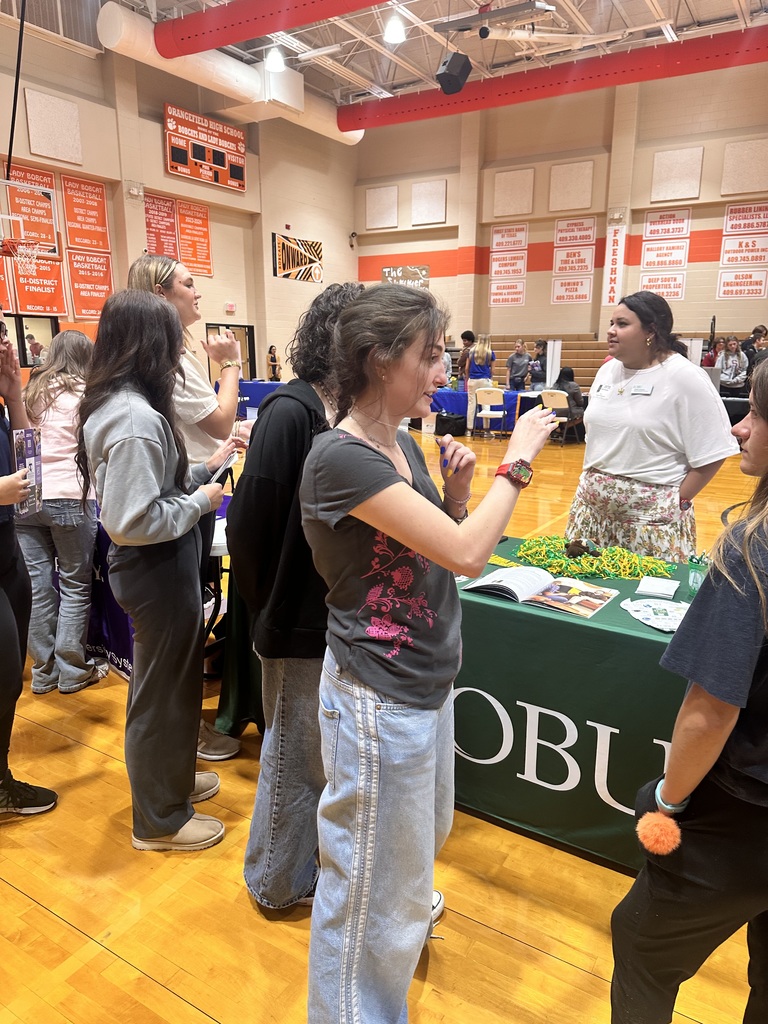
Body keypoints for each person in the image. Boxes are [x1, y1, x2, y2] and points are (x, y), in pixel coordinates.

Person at [299, 283, 557, 1022]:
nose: (441, 372)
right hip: (378, 698)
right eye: (430, 355)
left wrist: (455, 491)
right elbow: (471, 557)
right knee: (366, 893)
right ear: (379, 360)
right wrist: (518, 462)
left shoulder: (401, 441)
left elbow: (434, 552)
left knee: (406, 867)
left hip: (421, 685)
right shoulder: (337, 457)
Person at [610, 357, 768, 1024]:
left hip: (742, 816)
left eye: (758, 413)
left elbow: (711, 710)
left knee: (642, 945)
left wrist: (668, 802)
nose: (740, 427)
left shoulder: (752, 552)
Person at [76, 290, 236, 851]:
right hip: (153, 567)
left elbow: (153, 482)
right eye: (173, 342)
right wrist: (200, 503)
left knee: (173, 685)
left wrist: (203, 470)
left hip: (161, 566)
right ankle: (159, 818)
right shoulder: (134, 417)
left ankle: (172, 781)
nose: (179, 355)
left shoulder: (129, 406)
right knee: (159, 693)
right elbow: (131, 518)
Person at [227, 282, 363, 910]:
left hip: (320, 617)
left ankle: (293, 869)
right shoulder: (292, 411)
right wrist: (270, 607)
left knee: (313, 758)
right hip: (292, 620)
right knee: (291, 757)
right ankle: (275, 882)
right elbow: (248, 528)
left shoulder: (334, 413)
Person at [127, 254, 244, 760]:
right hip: (175, 509)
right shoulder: (163, 364)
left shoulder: (160, 360)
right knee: (171, 643)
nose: (198, 293)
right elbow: (219, 421)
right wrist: (232, 366)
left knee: (175, 638)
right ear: (159, 293)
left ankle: (176, 750)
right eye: (189, 284)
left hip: (185, 494)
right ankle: (172, 755)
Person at [566, 291, 738, 562]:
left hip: (651, 525)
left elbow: (714, 451)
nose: (610, 331)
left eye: (622, 324)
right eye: (611, 323)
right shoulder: (607, 371)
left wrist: (676, 502)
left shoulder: (686, 377)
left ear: (651, 331)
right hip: (591, 517)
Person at [16, 331, 108, 695]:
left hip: (27, 497)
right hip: (71, 495)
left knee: (38, 589)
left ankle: (44, 672)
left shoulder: (30, 393)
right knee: (74, 584)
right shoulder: (88, 395)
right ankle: (72, 670)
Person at [0, 328, 58, 814]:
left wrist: (16, 396)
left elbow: (31, 475)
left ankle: (1, 779)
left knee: (10, 677)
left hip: (8, 551)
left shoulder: (2, 402)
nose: (4, 342)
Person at [465, 332, 496, 435]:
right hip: (485, 380)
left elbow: (466, 368)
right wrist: (489, 378)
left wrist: (468, 377)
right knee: (486, 405)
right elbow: (493, 370)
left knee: (471, 405)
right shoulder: (490, 353)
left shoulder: (471, 352)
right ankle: (486, 430)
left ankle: (469, 430)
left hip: (473, 380)